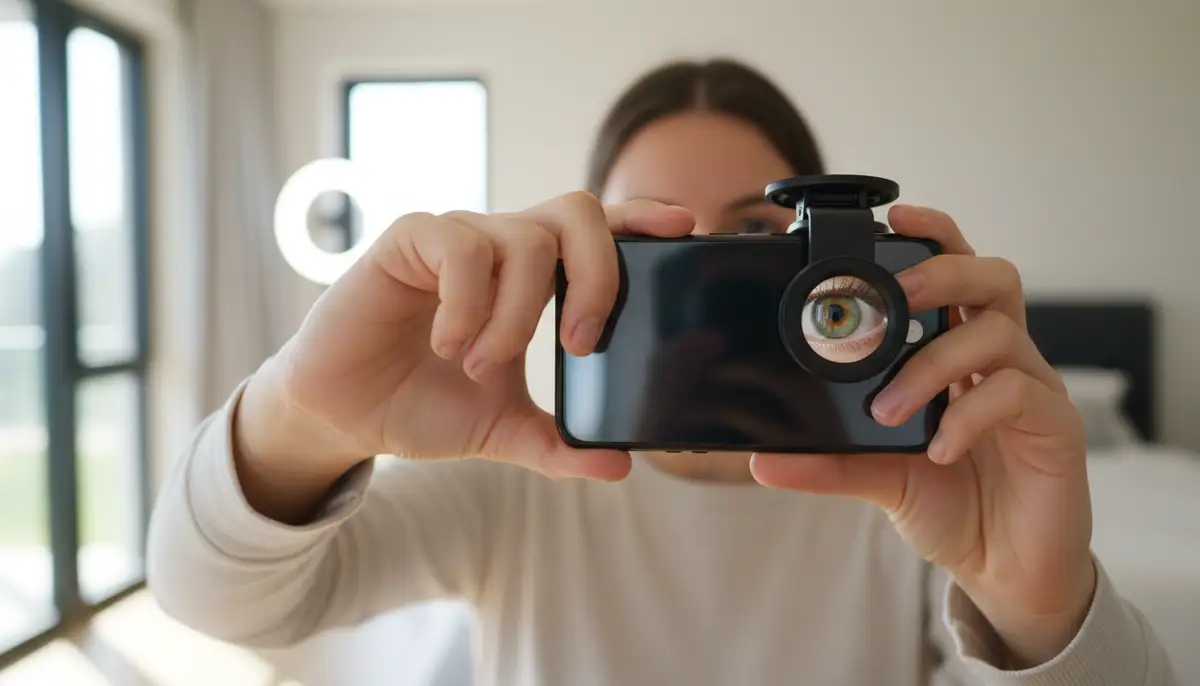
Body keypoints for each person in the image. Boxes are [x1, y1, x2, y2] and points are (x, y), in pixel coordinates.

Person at [146, 59, 1176, 685]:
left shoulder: (920, 488)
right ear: (584, 248)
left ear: (834, 263)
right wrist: (301, 414)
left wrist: (1047, 612)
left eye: (755, 244)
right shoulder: (523, 476)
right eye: (666, 251)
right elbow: (216, 602)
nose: (717, 295)